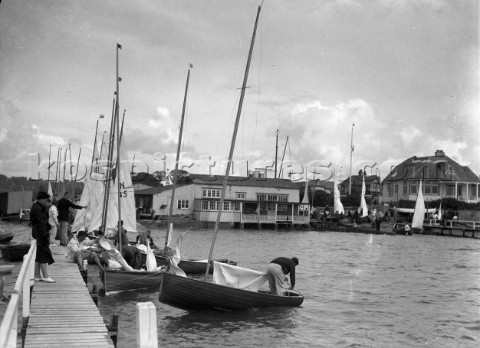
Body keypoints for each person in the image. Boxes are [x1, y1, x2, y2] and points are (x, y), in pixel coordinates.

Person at [31, 191, 55, 283]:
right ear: (42, 199)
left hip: (38, 232)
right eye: (46, 200)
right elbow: (41, 223)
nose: (46, 201)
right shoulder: (37, 208)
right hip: (40, 233)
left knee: (38, 255)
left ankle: (37, 275)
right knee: (43, 254)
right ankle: (45, 276)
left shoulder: (38, 207)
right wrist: (45, 235)